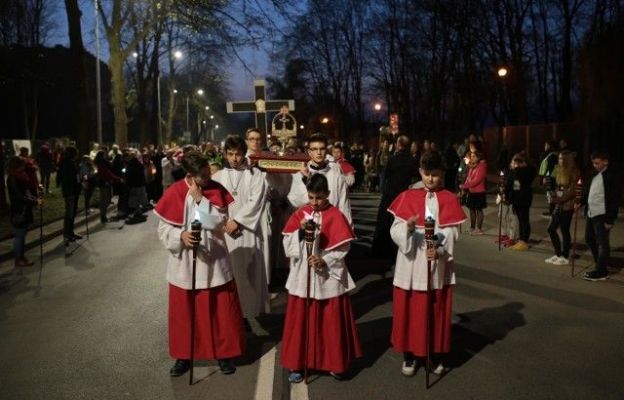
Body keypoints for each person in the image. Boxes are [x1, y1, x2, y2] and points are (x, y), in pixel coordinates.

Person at [154, 150, 245, 376]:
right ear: (191, 175)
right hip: (184, 264)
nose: (208, 178)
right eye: (203, 176)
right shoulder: (174, 191)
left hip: (214, 260)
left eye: (208, 173)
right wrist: (180, 236)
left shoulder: (214, 189)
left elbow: (217, 223)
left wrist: (199, 199)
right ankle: (183, 357)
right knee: (185, 316)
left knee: (220, 313)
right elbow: (163, 229)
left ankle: (224, 355)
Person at [388, 150, 466, 376]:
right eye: (427, 174)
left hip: (435, 263)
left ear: (442, 173)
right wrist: (409, 229)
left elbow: (452, 232)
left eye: (436, 174)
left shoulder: (449, 198)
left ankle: (433, 354)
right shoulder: (407, 196)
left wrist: (439, 249)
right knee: (410, 311)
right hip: (411, 263)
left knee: (434, 310)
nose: (431, 179)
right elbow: (395, 229)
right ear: (420, 172)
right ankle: (410, 355)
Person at [281, 173, 362, 383]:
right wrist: (298, 234)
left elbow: (344, 246)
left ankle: (334, 363)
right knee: (301, 322)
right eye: (310, 197)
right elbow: (287, 244)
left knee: (330, 321)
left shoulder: (336, 215)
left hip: (328, 277)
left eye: (319, 197)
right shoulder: (301, 214)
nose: (314, 202)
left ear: (327, 194)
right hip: (303, 276)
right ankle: (298, 364)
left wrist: (324, 260)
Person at [212, 135, 270, 320]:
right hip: (225, 232)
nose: (234, 159)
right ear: (225, 154)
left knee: (249, 273)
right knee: (229, 274)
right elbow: (213, 204)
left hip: (248, 231)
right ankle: (233, 315)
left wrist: (237, 221)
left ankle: (251, 313)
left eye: (238, 154)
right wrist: (224, 223)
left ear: (244, 153)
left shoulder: (255, 174)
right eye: (230, 154)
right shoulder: (218, 176)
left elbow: (256, 201)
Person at [287, 133, 352, 223]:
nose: (318, 152)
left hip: (330, 224)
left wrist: (347, 230)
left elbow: (344, 205)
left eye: (322, 149)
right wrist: (306, 181)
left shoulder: (337, 176)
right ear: (309, 152)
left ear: (326, 151)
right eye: (314, 149)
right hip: (306, 225)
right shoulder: (299, 174)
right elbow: (294, 202)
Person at [579, 151, 621, 281]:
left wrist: (610, 219)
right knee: (589, 239)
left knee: (603, 243)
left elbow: (615, 199)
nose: (594, 165)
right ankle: (600, 263)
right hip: (592, 213)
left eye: (597, 163)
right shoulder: (593, 175)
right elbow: (588, 192)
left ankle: (601, 271)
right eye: (593, 163)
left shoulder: (611, 177)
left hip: (603, 215)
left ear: (605, 162)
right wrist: (580, 202)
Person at [545, 151, 580, 265]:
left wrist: (557, 199)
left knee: (564, 230)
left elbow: (572, 191)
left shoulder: (574, 171)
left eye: (561, 159)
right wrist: (552, 193)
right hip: (558, 204)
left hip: (567, 205)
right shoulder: (559, 170)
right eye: (559, 159)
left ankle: (565, 255)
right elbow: (557, 186)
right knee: (551, 228)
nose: (559, 161)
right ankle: (558, 253)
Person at [7, 156, 41, 267]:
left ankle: (21, 257)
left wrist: (35, 199)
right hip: (18, 210)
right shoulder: (12, 178)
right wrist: (35, 202)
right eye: (22, 164)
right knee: (20, 236)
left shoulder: (21, 176)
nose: (24, 166)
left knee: (22, 234)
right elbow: (19, 196)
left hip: (25, 209)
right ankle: (19, 259)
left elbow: (26, 192)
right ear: (16, 165)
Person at [505, 153, 537, 251]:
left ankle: (524, 241)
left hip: (522, 198)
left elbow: (511, 184)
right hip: (519, 198)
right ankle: (522, 240)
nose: (514, 164)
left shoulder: (523, 171)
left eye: (516, 162)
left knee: (524, 220)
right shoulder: (518, 171)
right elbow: (509, 184)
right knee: (521, 220)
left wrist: (506, 196)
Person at [57, 146, 83, 243]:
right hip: (70, 192)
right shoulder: (68, 164)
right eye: (76, 153)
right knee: (70, 213)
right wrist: (79, 181)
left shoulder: (67, 162)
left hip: (71, 191)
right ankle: (67, 234)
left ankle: (70, 232)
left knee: (72, 213)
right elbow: (72, 178)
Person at [459, 147, 487, 234]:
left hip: (479, 192)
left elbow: (477, 180)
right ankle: (472, 227)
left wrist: (465, 185)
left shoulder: (481, 166)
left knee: (479, 210)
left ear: (478, 158)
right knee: (471, 209)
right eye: (471, 156)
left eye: (474, 156)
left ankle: (479, 229)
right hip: (472, 191)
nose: (472, 158)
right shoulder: (472, 166)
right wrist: (464, 187)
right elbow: (469, 178)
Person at [94, 150, 122, 223]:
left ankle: (103, 215)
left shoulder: (103, 162)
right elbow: (107, 173)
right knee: (105, 200)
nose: (106, 155)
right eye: (105, 154)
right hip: (104, 183)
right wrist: (117, 179)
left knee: (106, 200)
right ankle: (103, 216)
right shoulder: (102, 163)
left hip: (105, 183)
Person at [538, 140, 559, 217]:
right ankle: (552, 210)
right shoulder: (551, 154)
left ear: (549, 146)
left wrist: (545, 177)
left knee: (550, 193)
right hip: (551, 176)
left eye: (546, 145)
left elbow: (550, 167)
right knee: (550, 193)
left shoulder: (552, 155)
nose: (545, 147)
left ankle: (552, 211)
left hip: (551, 177)